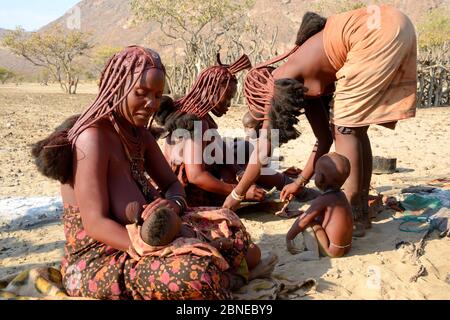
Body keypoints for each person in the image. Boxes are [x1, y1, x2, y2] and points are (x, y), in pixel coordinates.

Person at [31, 46, 275, 300]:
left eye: (158, 96)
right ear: (117, 88)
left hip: (154, 236)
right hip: (103, 257)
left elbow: (172, 183)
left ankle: (227, 276)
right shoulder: (92, 139)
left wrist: (173, 204)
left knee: (234, 232)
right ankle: (230, 279)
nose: (151, 104)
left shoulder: (138, 133)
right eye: (141, 93)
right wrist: (156, 248)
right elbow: (96, 225)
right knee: (196, 274)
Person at [224, 6, 417, 238]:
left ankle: (354, 213)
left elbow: (264, 148)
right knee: (353, 129)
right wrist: (299, 182)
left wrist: (236, 195)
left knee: (345, 128)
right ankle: (361, 211)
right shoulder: (306, 79)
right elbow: (324, 139)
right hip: (396, 23)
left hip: (374, 34)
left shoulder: (278, 80)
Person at [155, 54, 292, 208]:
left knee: (248, 168)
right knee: (248, 167)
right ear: (210, 91)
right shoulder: (194, 122)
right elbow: (196, 176)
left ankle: (289, 184)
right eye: (227, 98)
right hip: (193, 195)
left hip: (200, 181)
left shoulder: (200, 116)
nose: (228, 104)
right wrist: (238, 192)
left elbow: (221, 149)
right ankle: (290, 184)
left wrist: (238, 171)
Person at [286, 153, 353, 259]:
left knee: (308, 222)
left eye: (316, 173)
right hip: (347, 247)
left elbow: (303, 220)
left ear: (320, 178)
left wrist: (289, 237)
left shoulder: (323, 200)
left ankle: (312, 252)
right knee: (318, 217)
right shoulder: (341, 195)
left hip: (332, 250)